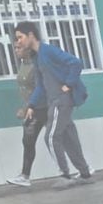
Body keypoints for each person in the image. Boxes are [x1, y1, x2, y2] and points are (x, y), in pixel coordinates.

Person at [14, 21, 94, 186]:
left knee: (50, 137)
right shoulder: (37, 58)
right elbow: (40, 85)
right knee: (68, 138)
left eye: (20, 37)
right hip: (53, 101)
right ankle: (85, 173)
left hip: (60, 101)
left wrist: (69, 84)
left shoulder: (48, 51)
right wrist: (31, 105)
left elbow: (76, 62)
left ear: (31, 35)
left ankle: (64, 175)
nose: (18, 42)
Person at [5, 39, 46, 187]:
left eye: (18, 48)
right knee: (28, 141)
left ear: (28, 50)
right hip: (31, 107)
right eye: (15, 48)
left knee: (57, 139)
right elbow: (26, 89)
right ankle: (25, 175)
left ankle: (80, 168)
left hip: (40, 107)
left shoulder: (36, 66)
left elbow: (39, 88)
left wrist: (29, 107)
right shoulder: (24, 64)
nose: (16, 50)